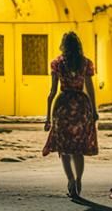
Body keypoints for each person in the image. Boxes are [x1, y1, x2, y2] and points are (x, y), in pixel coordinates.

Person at [42, 31, 98, 199]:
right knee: (78, 148)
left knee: (64, 149)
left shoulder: (57, 64)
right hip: (81, 106)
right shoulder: (86, 63)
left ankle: (71, 180)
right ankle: (79, 179)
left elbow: (52, 92)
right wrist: (94, 110)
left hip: (63, 106)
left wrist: (47, 117)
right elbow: (90, 88)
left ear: (63, 45)